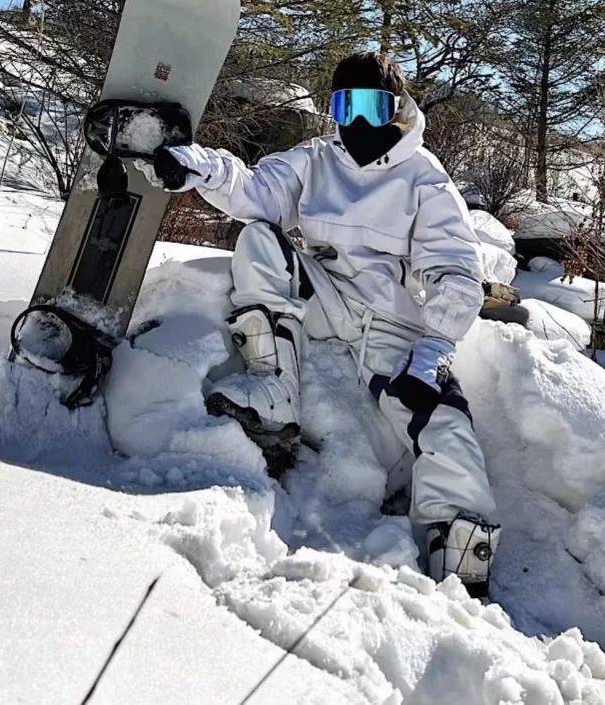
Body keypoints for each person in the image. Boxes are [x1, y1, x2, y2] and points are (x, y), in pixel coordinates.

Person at [138, 51, 499, 592]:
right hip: (325, 298)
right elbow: (255, 192)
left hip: (391, 323)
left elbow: (456, 272)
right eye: (344, 105)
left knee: (437, 413)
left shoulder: (423, 179)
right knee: (259, 237)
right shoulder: (316, 159)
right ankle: (274, 389)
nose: (357, 122)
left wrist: (433, 350)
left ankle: (461, 542)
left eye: (371, 107)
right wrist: (195, 166)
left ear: (396, 109)